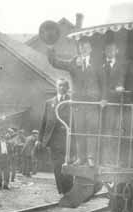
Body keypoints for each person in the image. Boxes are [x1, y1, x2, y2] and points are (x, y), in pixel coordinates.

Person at [47, 39, 100, 167]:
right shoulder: (73, 62)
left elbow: (103, 80)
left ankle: (91, 157)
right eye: (81, 47)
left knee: (92, 130)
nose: (84, 49)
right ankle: (81, 158)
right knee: (78, 130)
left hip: (93, 103)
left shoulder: (97, 62)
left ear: (91, 48)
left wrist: (102, 98)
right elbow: (55, 62)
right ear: (79, 49)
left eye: (86, 46)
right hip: (77, 103)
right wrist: (50, 47)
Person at [39, 79, 73, 194]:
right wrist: (40, 139)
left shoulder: (71, 102)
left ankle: (68, 189)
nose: (62, 88)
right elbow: (44, 122)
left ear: (67, 88)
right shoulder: (49, 103)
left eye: (64, 86)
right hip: (53, 139)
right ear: (56, 87)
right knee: (57, 165)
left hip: (67, 139)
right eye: (60, 85)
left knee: (67, 164)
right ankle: (61, 189)